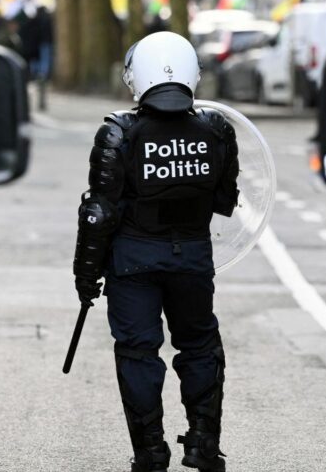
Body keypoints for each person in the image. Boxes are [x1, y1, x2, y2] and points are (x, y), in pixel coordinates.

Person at [71, 32, 239, 471]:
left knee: (137, 353)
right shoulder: (217, 131)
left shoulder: (118, 133)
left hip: (133, 263)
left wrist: (85, 275)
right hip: (194, 261)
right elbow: (226, 201)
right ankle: (203, 444)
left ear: (135, 77)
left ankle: (150, 450)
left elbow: (99, 213)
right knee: (200, 346)